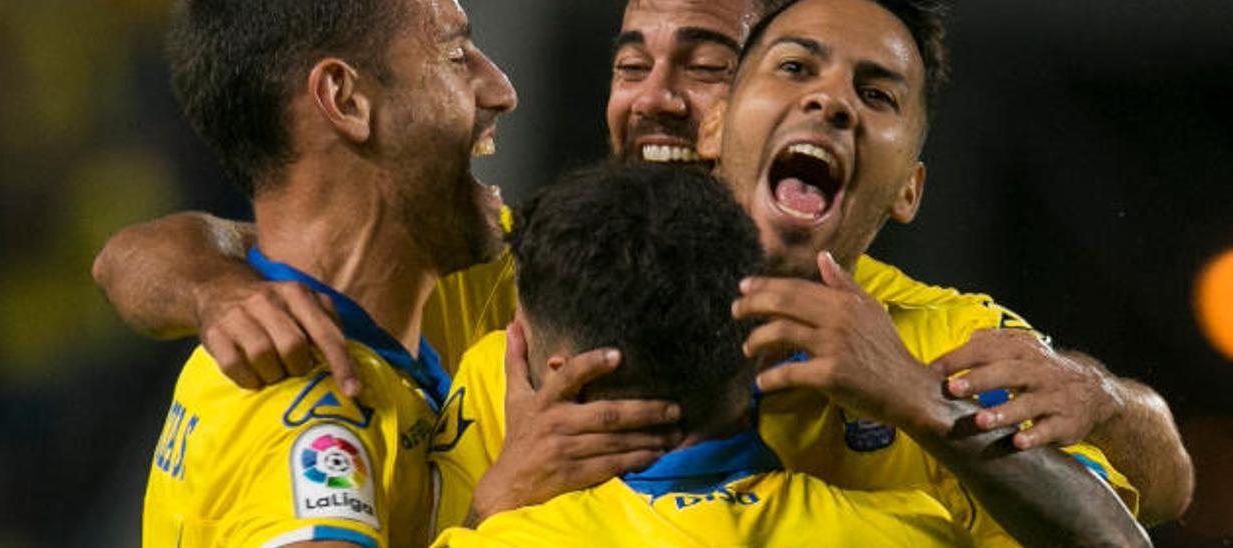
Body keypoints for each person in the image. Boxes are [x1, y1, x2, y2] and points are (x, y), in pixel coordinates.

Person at [95, 0, 1190, 536]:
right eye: (630, 60)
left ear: (909, 184)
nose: (655, 93)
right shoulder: (535, 275)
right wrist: (209, 282)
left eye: (703, 61)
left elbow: (1159, 484)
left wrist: (1097, 394)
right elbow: (177, 249)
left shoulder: (939, 343)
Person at [436, 161, 1146, 546]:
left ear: (559, 380)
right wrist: (926, 403)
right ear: (759, 356)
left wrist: (488, 512)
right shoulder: (916, 530)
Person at [139, 0, 523, 545]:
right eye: (457, 56)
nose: (502, 90)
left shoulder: (385, 338)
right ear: (346, 99)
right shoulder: (305, 414)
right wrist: (501, 511)